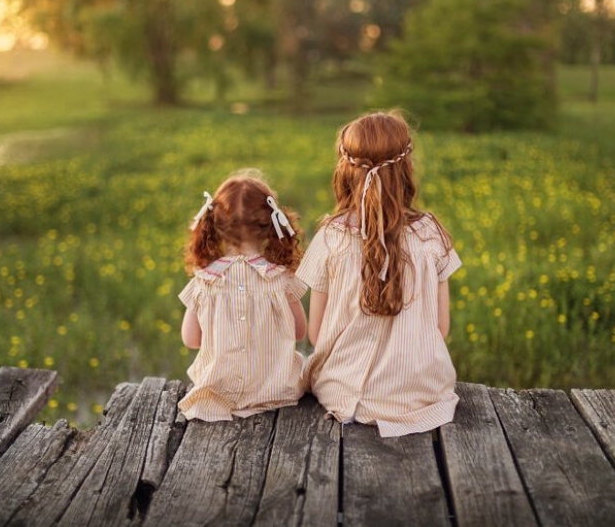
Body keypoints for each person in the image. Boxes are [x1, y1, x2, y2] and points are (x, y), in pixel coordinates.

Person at [297, 111, 462, 437]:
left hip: (346, 395)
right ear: (406, 169)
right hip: (424, 396)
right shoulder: (431, 234)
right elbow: (440, 328)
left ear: (345, 171)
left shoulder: (331, 236)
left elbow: (316, 335)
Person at [178, 172, 308, 421]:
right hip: (278, 392)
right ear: (269, 225)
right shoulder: (280, 279)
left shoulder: (205, 281)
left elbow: (191, 339)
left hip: (217, 394)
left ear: (215, 225)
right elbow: (299, 332)